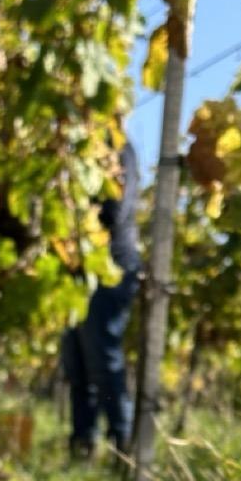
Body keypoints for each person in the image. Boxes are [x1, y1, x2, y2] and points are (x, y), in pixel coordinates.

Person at [63, 137, 142, 458]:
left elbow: (114, 212)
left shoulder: (117, 148)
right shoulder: (82, 142)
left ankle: (123, 444)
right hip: (80, 268)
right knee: (77, 362)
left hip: (112, 266)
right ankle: (83, 444)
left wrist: (75, 202)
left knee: (103, 359)